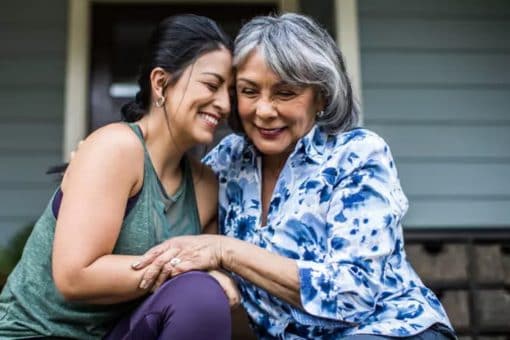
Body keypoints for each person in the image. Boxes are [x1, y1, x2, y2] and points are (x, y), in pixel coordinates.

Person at [132, 13, 457, 339]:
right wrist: (103, 163)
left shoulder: (357, 155)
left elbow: (353, 296)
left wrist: (225, 251)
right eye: (248, 91)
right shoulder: (227, 161)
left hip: (392, 330)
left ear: (322, 96)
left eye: (285, 93)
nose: (264, 110)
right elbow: (163, 207)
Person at [0, 14, 238, 339]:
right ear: (161, 83)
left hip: (116, 333)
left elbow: (205, 288)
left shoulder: (206, 186)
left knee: (200, 296)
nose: (225, 103)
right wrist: (183, 267)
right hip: (37, 333)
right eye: (212, 85)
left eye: (231, 91)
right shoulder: (116, 148)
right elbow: (74, 277)